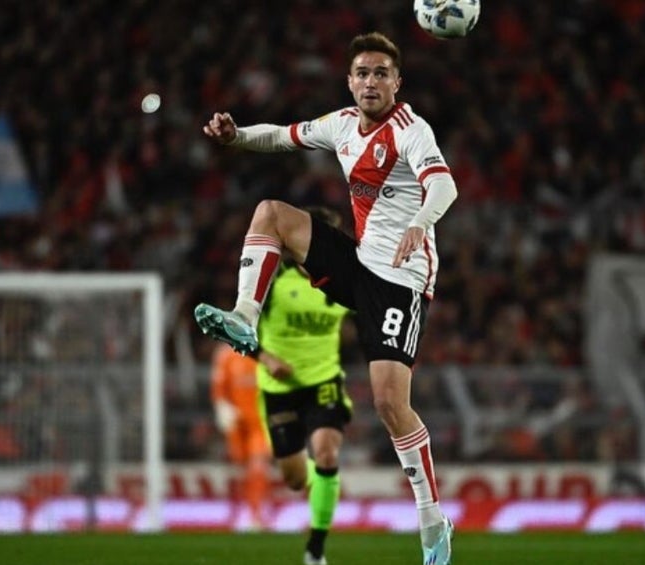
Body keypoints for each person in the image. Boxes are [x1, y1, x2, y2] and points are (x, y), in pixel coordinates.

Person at [195, 31, 458, 565]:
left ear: (397, 82)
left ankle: (432, 519)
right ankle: (245, 315)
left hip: (401, 280)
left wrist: (420, 221)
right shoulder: (341, 124)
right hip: (359, 262)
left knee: (389, 404)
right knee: (270, 212)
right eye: (362, 73)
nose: (371, 82)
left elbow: (444, 186)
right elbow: (280, 137)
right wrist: (236, 136)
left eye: (381, 73)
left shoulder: (411, 130)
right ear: (350, 81)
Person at [252, 207, 354, 565]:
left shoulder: (345, 278)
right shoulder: (273, 278)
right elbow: (237, 328)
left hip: (324, 380)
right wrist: (265, 357)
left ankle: (316, 549)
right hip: (279, 387)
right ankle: (322, 481)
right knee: (295, 479)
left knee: (327, 453)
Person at [210, 342, 271, 530]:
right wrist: (222, 407)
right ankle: (240, 511)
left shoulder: (266, 352)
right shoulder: (225, 355)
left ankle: (256, 516)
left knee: (257, 466)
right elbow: (218, 387)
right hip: (237, 423)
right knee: (240, 468)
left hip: (260, 423)